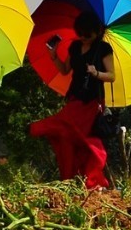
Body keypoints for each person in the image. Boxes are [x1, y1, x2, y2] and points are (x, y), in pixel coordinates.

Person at [29, 10, 113, 189]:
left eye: (87, 34)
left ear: (97, 32)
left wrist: (96, 73)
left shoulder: (103, 49)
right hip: (75, 97)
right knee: (67, 136)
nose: (83, 37)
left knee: (81, 135)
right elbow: (65, 70)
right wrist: (53, 56)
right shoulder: (75, 47)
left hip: (92, 101)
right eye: (80, 33)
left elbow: (112, 75)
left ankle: (93, 179)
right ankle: (70, 178)